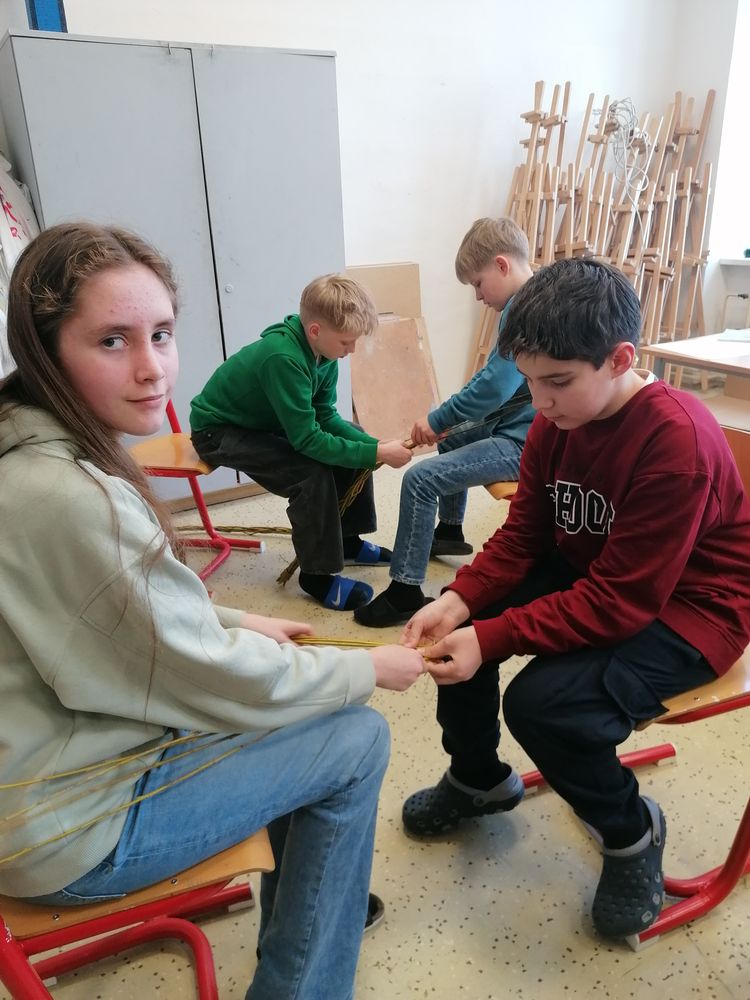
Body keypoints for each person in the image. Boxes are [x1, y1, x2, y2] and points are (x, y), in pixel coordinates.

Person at [0, 222, 427, 1000]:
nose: (152, 368)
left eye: (161, 334)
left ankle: (319, 895)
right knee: (356, 735)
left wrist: (235, 620)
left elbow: (104, 616)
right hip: (65, 823)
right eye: (112, 341)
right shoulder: (72, 497)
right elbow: (203, 675)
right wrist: (366, 666)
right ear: (45, 347)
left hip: (40, 776)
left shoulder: (28, 453)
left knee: (302, 706)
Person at [400, 257, 750, 939]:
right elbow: (524, 536)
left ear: (620, 360)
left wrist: (493, 636)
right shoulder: (556, 421)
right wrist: (463, 601)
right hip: (604, 574)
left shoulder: (674, 440)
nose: (540, 402)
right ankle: (477, 779)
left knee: (545, 705)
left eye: (557, 382)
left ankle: (630, 832)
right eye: (530, 381)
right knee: (465, 620)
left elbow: (620, 603)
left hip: (695, 609)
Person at [190, 275, 412, 612]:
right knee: (310, 473)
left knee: (351, 439)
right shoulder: (283, 358)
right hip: (218, 431)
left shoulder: (325, 355)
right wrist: (375, 452)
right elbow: (307, 439)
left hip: (263, 423)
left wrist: (373, 445)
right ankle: (317, 576)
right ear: (315, 331)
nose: (352, 350)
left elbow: (325, 415)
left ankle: (347, 542)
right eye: (347, 341)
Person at [354, 217, 535, 628]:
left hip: (526, 443)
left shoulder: (524, 311)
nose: (478, 296)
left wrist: (438, 418)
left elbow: (494, 388)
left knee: (420, 480)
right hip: (520, 426)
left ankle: (405, 591)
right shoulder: (531, 299)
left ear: (502, 265)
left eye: (478, 283)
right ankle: (449, 532)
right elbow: (497, 382)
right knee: (452, 439)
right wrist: (446, 424)